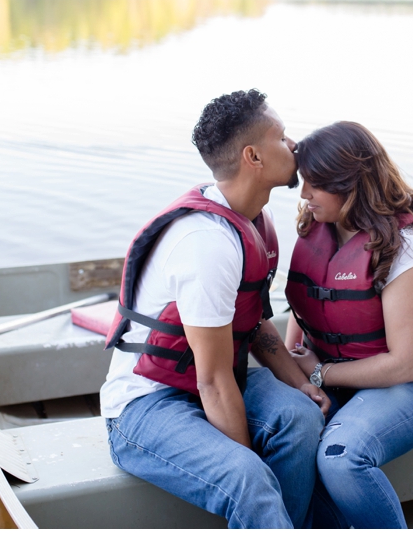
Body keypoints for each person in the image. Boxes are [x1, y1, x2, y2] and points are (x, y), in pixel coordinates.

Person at [101, 89, 329, 529]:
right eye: (282, 138)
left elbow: (256, 323)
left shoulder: (255, 220)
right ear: (253, 157)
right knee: (247, 479)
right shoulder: (206, 244)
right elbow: (211, 378)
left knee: (301, 418)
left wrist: (302, 383)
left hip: (214, 381)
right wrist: (245, 460)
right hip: (145, 405)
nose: (294, 145)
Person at [284, 121, 413, 529]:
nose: (304, 194)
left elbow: (406, 365)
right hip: (337, 378)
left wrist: (321, 373)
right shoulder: (316, 226)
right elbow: (303, 306)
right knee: (287, 440)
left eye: (315, 184)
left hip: (408, 387)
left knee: (341, 458)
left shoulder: (402, 246)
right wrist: (295, 370)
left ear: (351, 183)